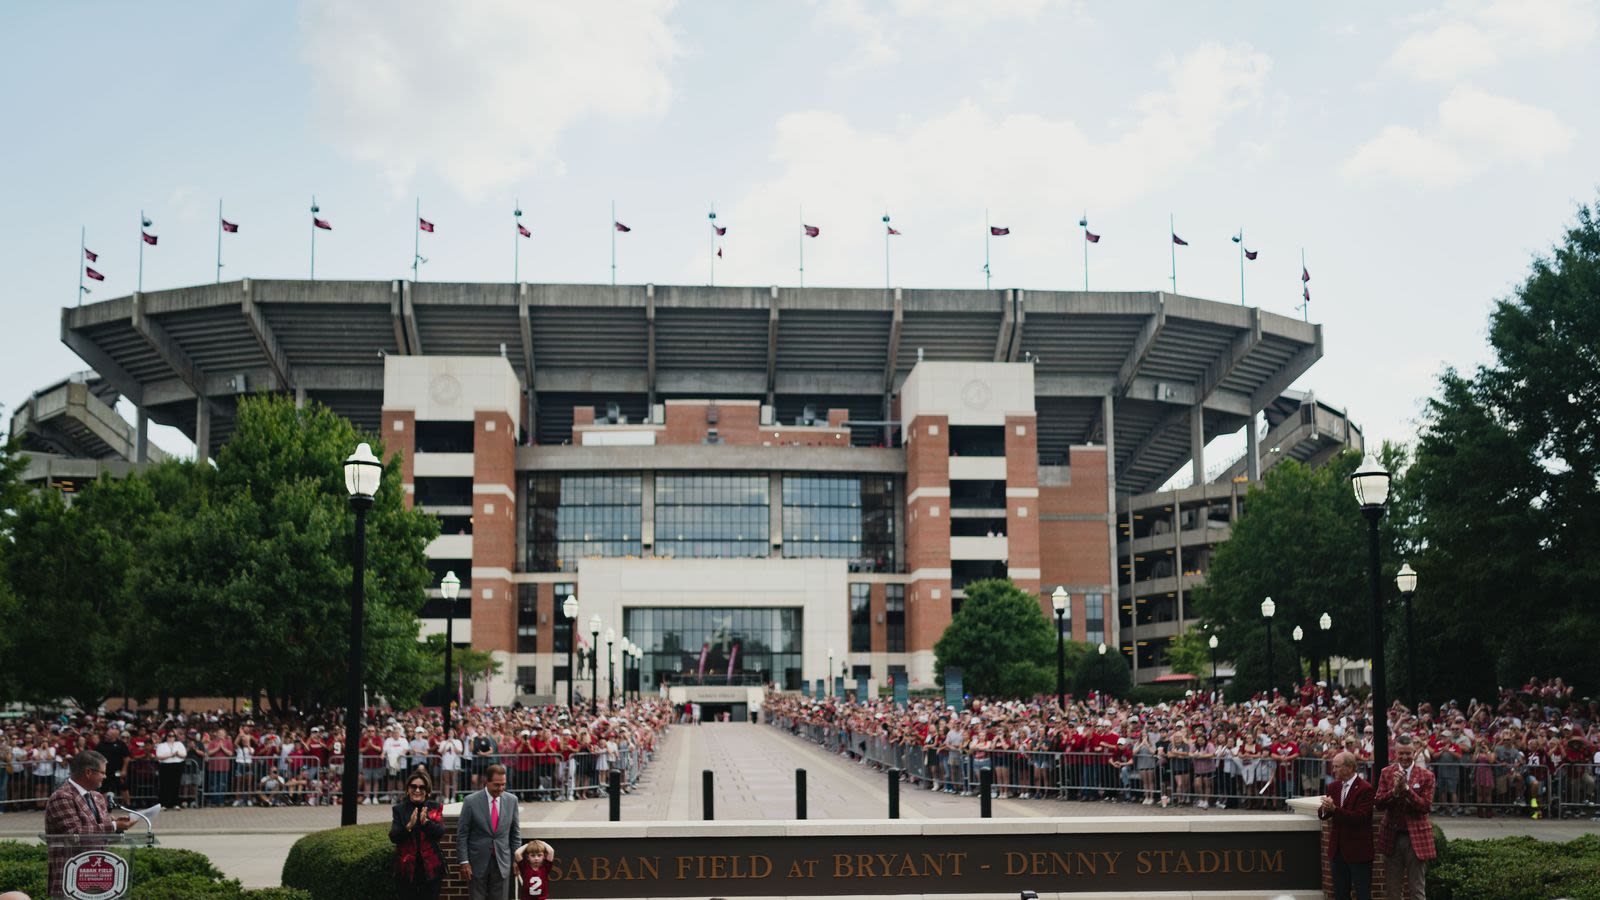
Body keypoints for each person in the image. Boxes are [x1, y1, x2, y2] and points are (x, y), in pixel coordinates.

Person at [44, 751, 133, 897]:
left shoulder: (97, 797)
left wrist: (116, 824)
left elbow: (99, 829)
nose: (105, 776)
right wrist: (114, 826)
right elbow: (74, 833)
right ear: (88, 772)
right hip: (70, 879)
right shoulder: (62, 797)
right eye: (102, 773)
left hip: (98, 877)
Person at [1375, 735, 1437, 900]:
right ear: (1395, 753)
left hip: (1416, 838)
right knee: (1393, 891)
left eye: (1408, 753)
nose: (1404, 757)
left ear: (1414, 752)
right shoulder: (1386, 773)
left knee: (1417, 890)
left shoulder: (1426, 776)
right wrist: (1394, 792)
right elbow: (1379, 803)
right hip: (1392, 837)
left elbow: (1425, 806)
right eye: (1400, 753)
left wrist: (1407, 789)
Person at [457, 763, 518, 900]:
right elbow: (462, 835)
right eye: (497, 785)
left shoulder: (512, 801)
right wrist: (464, 862)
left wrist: (516, 859)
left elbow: (515, 834)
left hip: (502, 862)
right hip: (476, 863)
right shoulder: (470, 801)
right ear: (486, 782)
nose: (501, 788)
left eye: (503, 784)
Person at [1318, 751, 1375, 900]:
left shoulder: (1365, 789)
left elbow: (1360, 818)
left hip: (1358, 852)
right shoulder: (1333, 787)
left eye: (1337, 767)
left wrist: (1334, 810)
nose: (1333, 770)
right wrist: (1325, 808)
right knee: (1341, 894)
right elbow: (1325, 814)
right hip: (1337, 852)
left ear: (1349, 768)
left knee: (1362, 893)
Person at [391, 767, 446, 900]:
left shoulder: (434, 807)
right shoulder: (400, 809)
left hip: (431, 867)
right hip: (406, 868)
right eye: (413, 786)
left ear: (427, 791)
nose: (417, 790)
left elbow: (440, 833)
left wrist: (426, 823)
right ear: (407, 789)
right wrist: (408, 826)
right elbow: (394, 836)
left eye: (422, 787)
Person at [155, 729, 187, 810]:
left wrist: (177, 754)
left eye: (173, 736)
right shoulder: (162, 745)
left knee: (175, 785)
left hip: (177, 765)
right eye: (169, 736)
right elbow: (159, 756)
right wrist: (171, 755)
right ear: (166, 737)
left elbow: (184, 754)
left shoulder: (179, 744)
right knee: (164, 785)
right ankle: (163, 804)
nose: (171, 737)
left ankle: (175, 803)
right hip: (165, 766)